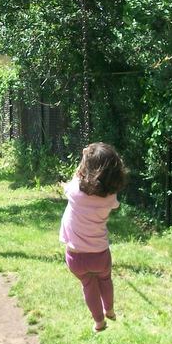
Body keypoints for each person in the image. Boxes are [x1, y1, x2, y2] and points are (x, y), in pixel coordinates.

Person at [59, 142, 126, 332]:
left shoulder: (75, 191)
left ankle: (99, 322)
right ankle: (109, 310)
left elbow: (75, 176)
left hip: (76, 256)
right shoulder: (110, 197)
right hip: (100, 254)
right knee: (105, 280)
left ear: (87, 168)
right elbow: (114, 202)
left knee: (88, 285)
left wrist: (84, 158)